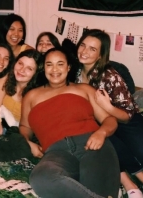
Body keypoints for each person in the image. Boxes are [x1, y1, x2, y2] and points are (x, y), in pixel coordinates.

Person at [76, 29, 143, 198]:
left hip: (128, 123)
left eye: (92, 49)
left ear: (101, 55)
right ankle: (141, 180)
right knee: (99, 142)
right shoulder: (75, 72)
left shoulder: (109, 75)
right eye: (83, 45)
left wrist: (107, 106)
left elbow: (127, 115)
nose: (84, 51)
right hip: (103, 123)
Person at [19, 47, 120, 198]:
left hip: (92, 145)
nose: (54, 69)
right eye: (49, 64)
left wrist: (101, 132)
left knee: (96, 188)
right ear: (43, 68)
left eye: (60, 64)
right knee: (41, 179)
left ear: (68, 67)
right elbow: (24, 127)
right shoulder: (31, 96)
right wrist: (27, 142)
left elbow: (110, 119)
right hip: (56, 152)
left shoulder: (84, 89)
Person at [0, 49, 42, 135]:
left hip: (19, 134)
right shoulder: (5, 79)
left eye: (29, 68)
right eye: (20, 63)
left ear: (35, 73)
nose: (22, 70)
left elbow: (31, 128)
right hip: (0, 122)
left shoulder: (37, 95)